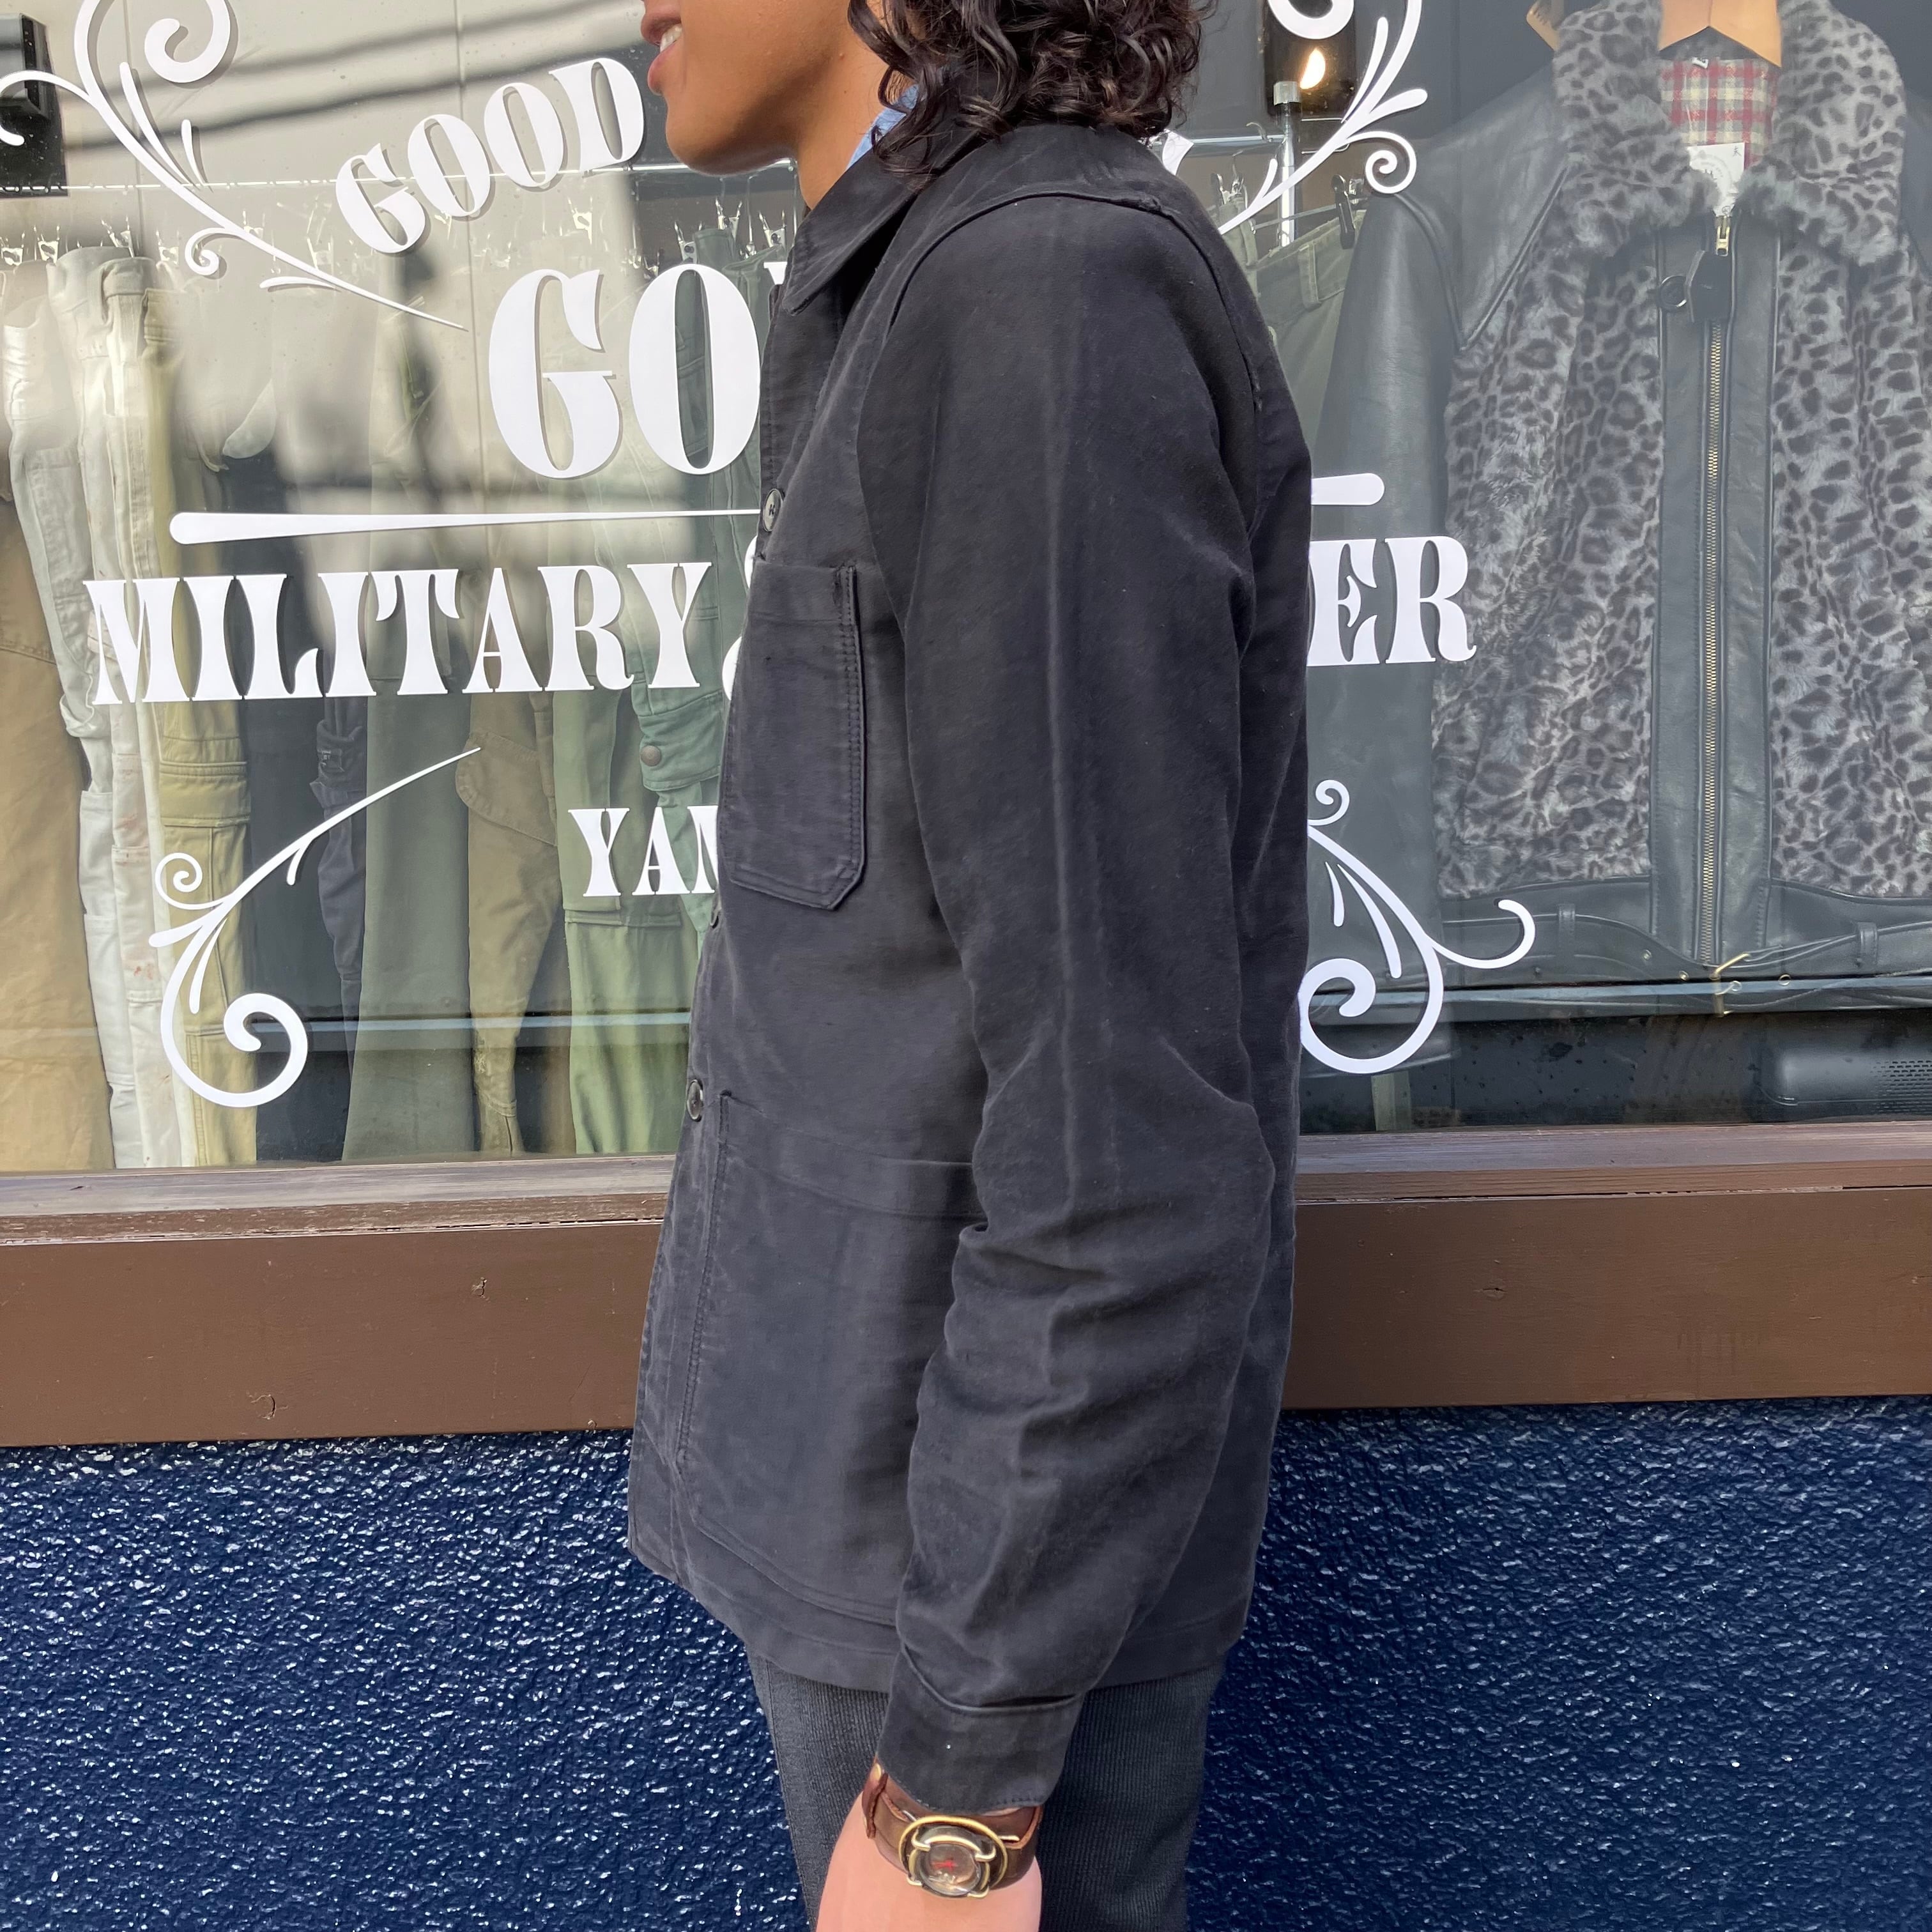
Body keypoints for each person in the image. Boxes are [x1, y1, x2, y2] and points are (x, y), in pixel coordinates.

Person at [627, 0, 1311, 1922]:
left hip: (970, 1613)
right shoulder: (933, 272)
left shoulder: (1043, 294)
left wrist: (957, 1797)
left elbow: (1122, 1149)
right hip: (904, 1543)